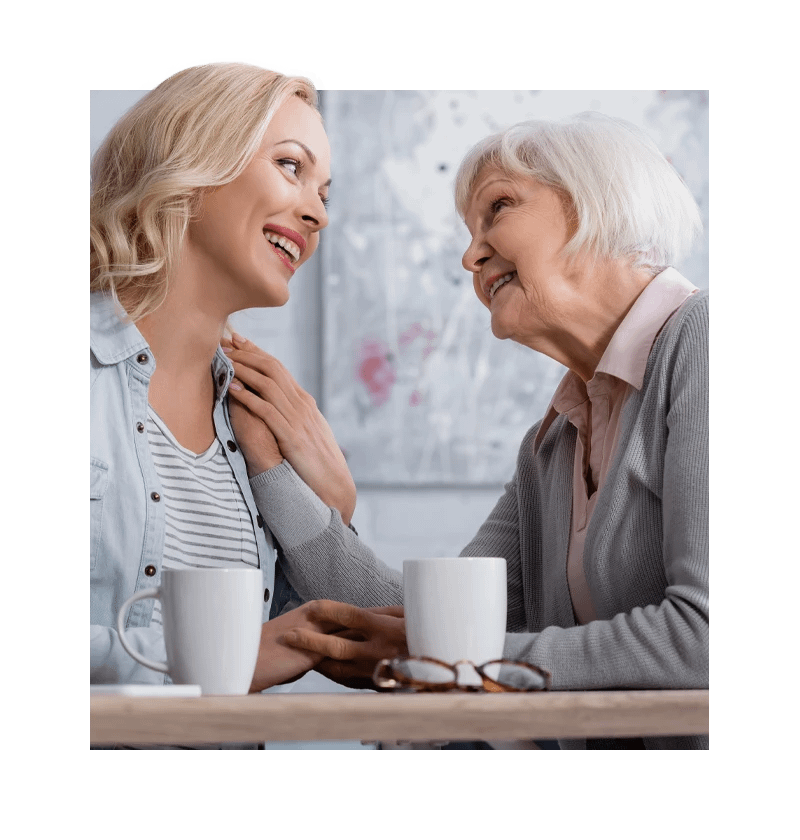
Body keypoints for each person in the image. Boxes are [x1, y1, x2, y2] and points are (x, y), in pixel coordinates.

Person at [231, 111, 708, 750]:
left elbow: (700, 641)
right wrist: (281, 473)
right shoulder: (553, 441)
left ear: (596, 200)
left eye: (499, 209)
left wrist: (464, 669)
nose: (470, 254)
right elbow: (434, 626)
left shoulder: (698, 343)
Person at [90, 62, 405, 749]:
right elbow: (262, 651)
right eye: (290, 167)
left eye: (325, 192)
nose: (318, 211)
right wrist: (217, 663)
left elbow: (380, 644)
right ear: (192, 161)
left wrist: (329, 504)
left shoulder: (258, 419)